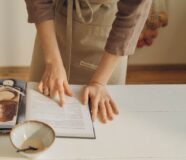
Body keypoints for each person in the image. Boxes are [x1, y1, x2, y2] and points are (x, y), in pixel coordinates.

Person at [24, 0, 152, 123]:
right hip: (52, 27)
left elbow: (134, 10)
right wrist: (52, 62)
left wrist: (99, 83)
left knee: (102, 122)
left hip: (109, 35)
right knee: (37, 111)